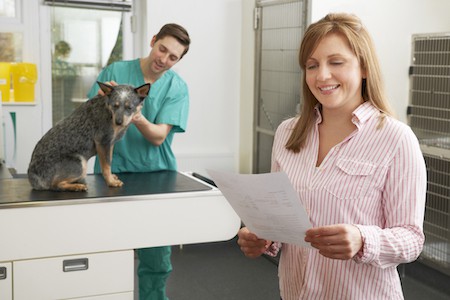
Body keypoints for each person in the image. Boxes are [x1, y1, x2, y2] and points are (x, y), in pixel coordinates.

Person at [237, 13, 427, 300]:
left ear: (363, 67)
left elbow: (412, 239)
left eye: (336, 62)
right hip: (295, 291)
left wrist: (363, 239)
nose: (322, 75)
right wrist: (263, 237)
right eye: (311, 65)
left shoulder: (396, 139)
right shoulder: (288, 134)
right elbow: (283, 221)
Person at [87, 23, 191, 300]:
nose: (164, 59)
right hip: (112, 172)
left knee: (156, 257)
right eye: (162, 49)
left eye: (173, 57)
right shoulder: (115, 72)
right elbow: (91, 116)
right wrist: (103, 100)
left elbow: (158, 137)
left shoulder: (176, 87)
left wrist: (136, 115)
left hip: (155, 175)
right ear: (153, 40)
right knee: (108, 249)